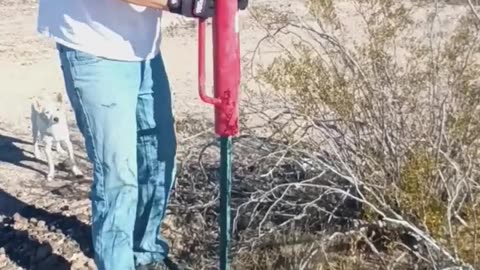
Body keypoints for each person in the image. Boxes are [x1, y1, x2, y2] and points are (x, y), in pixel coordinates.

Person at [36, 0, 248, 269]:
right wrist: (179, 2)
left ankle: (145, 253)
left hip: (143, 49)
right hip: (91, 45)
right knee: (117, 176)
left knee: (160, 163)